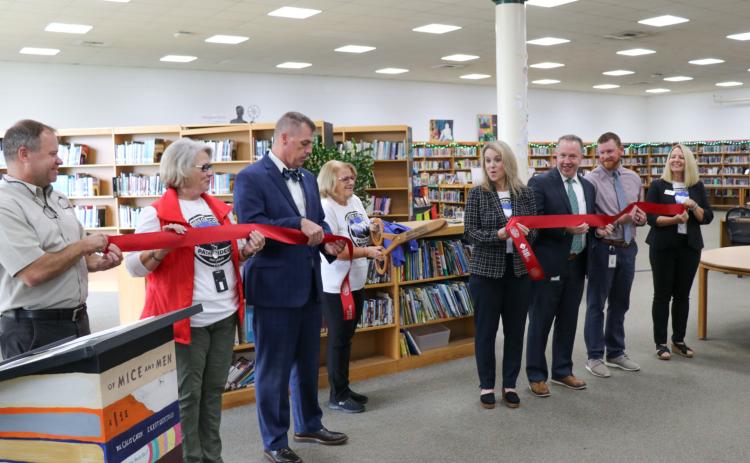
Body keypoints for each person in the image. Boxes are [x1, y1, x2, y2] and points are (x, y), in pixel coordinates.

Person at [125, 137, 265, 463]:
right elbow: (134, 267)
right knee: (187, 397)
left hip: (224, 315)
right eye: (205, 167)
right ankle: (191, 458)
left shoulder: (218, 210)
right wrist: (163, 247)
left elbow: (223, 258)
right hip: (186, 322)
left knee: (214, 392)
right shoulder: (156, 213)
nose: (210, 173)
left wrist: (246, 252)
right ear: (181, 169)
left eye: (210, 166)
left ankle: (212, 457)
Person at [233, 112, 348, 463]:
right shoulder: (250, 178)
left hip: (310, 284)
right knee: (273, 369)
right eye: (304, 143)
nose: (308, 151)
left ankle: (309, 424)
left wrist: (327, 242)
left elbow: (319, 221)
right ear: (283, 138)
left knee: (307, 363)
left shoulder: (310, 178)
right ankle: (274, 441)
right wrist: (297, 223)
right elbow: (253, 225)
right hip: (275, 287)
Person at [0, 120, 122, 360]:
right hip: (33, 329)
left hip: (77, 321)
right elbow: (33, 272)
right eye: (53, 154)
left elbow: (72, 256)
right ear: (24, 154)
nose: (60, 161)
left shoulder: (59, 198)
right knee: (39, 397)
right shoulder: (6, 204)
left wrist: (96, 262)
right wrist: (85, 245)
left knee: (81, 395)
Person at [525, 135, 614, 398]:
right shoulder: (539, 183)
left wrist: (599, 230)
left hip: (577, 265)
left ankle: (562, 371)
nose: (567, 161)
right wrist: (566, 229)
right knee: (541, 320)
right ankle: (536, 375)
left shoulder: (587, 187)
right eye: (562, 155)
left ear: (582, 158)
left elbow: (588, 223)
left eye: (572, 156)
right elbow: (534, 223)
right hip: (549, 264)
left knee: (568, 320)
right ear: (555, 156)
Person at [464, 140, 538, 409]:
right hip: (486, 274)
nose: (492, 166)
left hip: (518, 272)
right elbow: (469, 232)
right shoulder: (477, 193)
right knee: (485, 332)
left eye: (497, 160)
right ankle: (487, 386)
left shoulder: (524, 194)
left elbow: (536, 229)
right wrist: (497, 235)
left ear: (507, 162)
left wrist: (528, 233)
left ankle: (509, 385)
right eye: (487, 161)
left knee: (515, 331)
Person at [318, 160, 384, 414]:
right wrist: (368, 251)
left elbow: (361, 232)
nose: (351, 182)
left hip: (357, 280)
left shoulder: (355, 201)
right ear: (330, 182)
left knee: (347, 337)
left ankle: (344, 388)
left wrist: (373, 227)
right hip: (337, 285)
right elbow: (336, 249)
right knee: (339, 338)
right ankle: (337, 395)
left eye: (352, 177)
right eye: (344, 179)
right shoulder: (326, 207)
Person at [584, 132, 647, 378]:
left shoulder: (633, 177)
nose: (605, 157)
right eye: (601, 153)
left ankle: (615, 352)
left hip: (628, 248)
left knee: (620, 304)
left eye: (610, 151)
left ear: (621, 150)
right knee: (597, 304)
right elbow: (588, 218)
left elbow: (640, 211)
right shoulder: (590, 180)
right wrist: (617, 220)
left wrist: (641, 220)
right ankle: (594, 356)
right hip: (604, 248)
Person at [645, 144, 712, 360]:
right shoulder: (657, 185)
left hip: (689, 247)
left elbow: (707, 217)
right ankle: (660, 343)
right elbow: (651, 218)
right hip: (663, 247)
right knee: (662, 295)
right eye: (673, 156)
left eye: (681, 157)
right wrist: (673, 220)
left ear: (688, 161)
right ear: (668, 160)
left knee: (683, 296)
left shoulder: (696, 186)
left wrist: (694, 207)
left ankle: (678, 341)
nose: (676, 160)